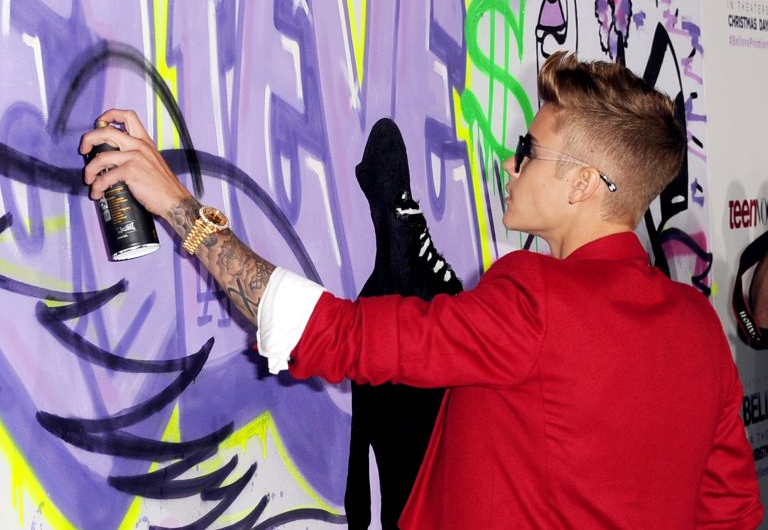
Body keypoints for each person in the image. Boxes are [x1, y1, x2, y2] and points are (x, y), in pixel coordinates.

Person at [82, 51, 763, 528]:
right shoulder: (697, 326)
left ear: (584, 183)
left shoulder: (535, 299)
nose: (510, 163)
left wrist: (177, 206)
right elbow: (730, 513)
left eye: (529, 150)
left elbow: (337, 336)